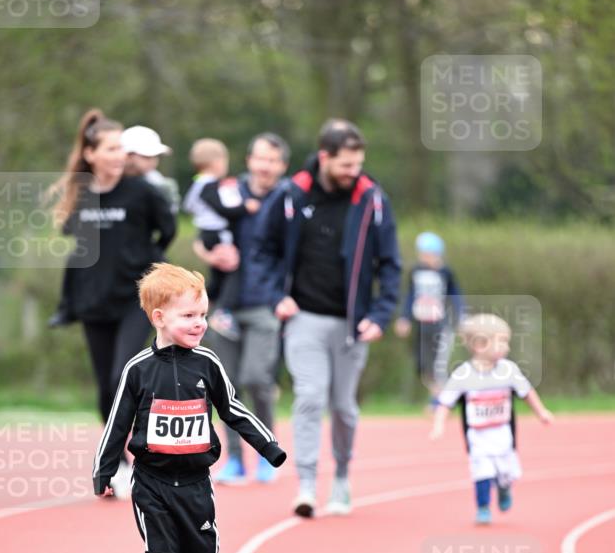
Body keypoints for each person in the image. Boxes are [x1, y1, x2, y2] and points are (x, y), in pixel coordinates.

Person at [92, 263, 286, 553]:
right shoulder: (138, 370)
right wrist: (104, 471)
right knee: (160, 552)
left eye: (202, 315)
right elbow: (117, 423)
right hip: (151, 480)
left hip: (196, 481)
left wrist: (268, 446)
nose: (199, 323)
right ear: (159, 318)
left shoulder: (208, 363)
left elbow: (232, 409)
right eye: (188, 316)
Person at [253, 119, 402, 518]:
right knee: (309, 397)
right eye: (346, 165)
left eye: (358, 164)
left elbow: (391, 264)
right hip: (304, 317)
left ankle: (341, 478)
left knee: (344, 408)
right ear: (325, 157)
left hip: (353, 324)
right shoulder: (290, 195)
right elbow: (260, 250)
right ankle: (305, 485)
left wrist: (381, 315)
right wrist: (275, 296)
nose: (355, 171)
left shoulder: (373, 200)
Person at [49, 109, 176, 497]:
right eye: (111, 148)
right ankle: (118, 461)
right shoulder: (80, 193)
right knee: (105, 387)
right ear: (91, 154)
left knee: (123, 373)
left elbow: (167, 228)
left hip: (134, 300)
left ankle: (143, 451)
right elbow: (72, 235)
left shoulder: (142, 191)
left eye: (122, 148)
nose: (120, 155)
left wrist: (146, 261)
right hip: (93, 301)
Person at [193, 132, 290, 485]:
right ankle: (234, 460)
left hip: (266, 303)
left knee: (256, 379)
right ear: (249, 160)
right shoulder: (229, 191)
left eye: (272, 160)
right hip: (224, 304)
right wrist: (210, 254)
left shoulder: (289, 199)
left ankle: (266, 452)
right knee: (226, 386)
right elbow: (202, 233)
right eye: (260, 158)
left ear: (282, 166)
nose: (265, 166)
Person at [430, 313, 553, 524]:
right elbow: (445, 402)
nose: (507, 347)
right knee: (482, 472)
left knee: (506, 472)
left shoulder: (509, 370)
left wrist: (541, 412)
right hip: (477, 436)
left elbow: (526, 392)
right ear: (479, 345)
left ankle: (504, 488)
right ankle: (483, 507)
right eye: (502, 342)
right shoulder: (463, 375)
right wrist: (438, 426)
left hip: (503, 434)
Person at [183, 138, 261, 315]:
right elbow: (223, 210)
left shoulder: (197, 182)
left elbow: (188, 206)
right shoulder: (209, 184)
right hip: (218, 234)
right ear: (217, 162)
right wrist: (246, 208)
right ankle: (223, 311)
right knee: (233, 268)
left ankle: (205, 306)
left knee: (217, 274)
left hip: (206, 233)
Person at [394, 231, 464, 406]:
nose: (423, 257)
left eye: (426, 253)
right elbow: (410, 296)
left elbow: (456, 297)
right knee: (422, 366)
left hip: (441, 325)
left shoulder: (446, 272)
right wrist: (404, 318)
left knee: (439, 364)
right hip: (421, 325)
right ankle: (440, 397)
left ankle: (439, 402)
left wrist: (460, 318)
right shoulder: (416, 271)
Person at [121, 124, 181, 215]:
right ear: (127, 155)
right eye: (146, 156)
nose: (153, 161)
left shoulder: (156, 180)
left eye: (156, 156)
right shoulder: (111, 179)